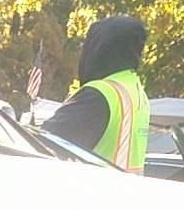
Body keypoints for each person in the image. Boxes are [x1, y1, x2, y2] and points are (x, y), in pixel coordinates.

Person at [43, 15, 151, 171]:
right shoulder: (135, 91)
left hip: (94, 190)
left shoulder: (101, 93)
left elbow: (44, 142)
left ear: (102, 48)